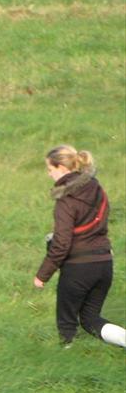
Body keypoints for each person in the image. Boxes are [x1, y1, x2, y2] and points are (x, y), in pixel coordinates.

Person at [33, 145, 125, 349]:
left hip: (78, 269)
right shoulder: (97, 188)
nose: (49, 175)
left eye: (50, 169)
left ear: (62, 168)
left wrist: (42, 275)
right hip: (104, 264)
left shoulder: (66, 199)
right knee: (90, 319)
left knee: (66, 324)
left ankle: (63, 361)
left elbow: (62, 243)